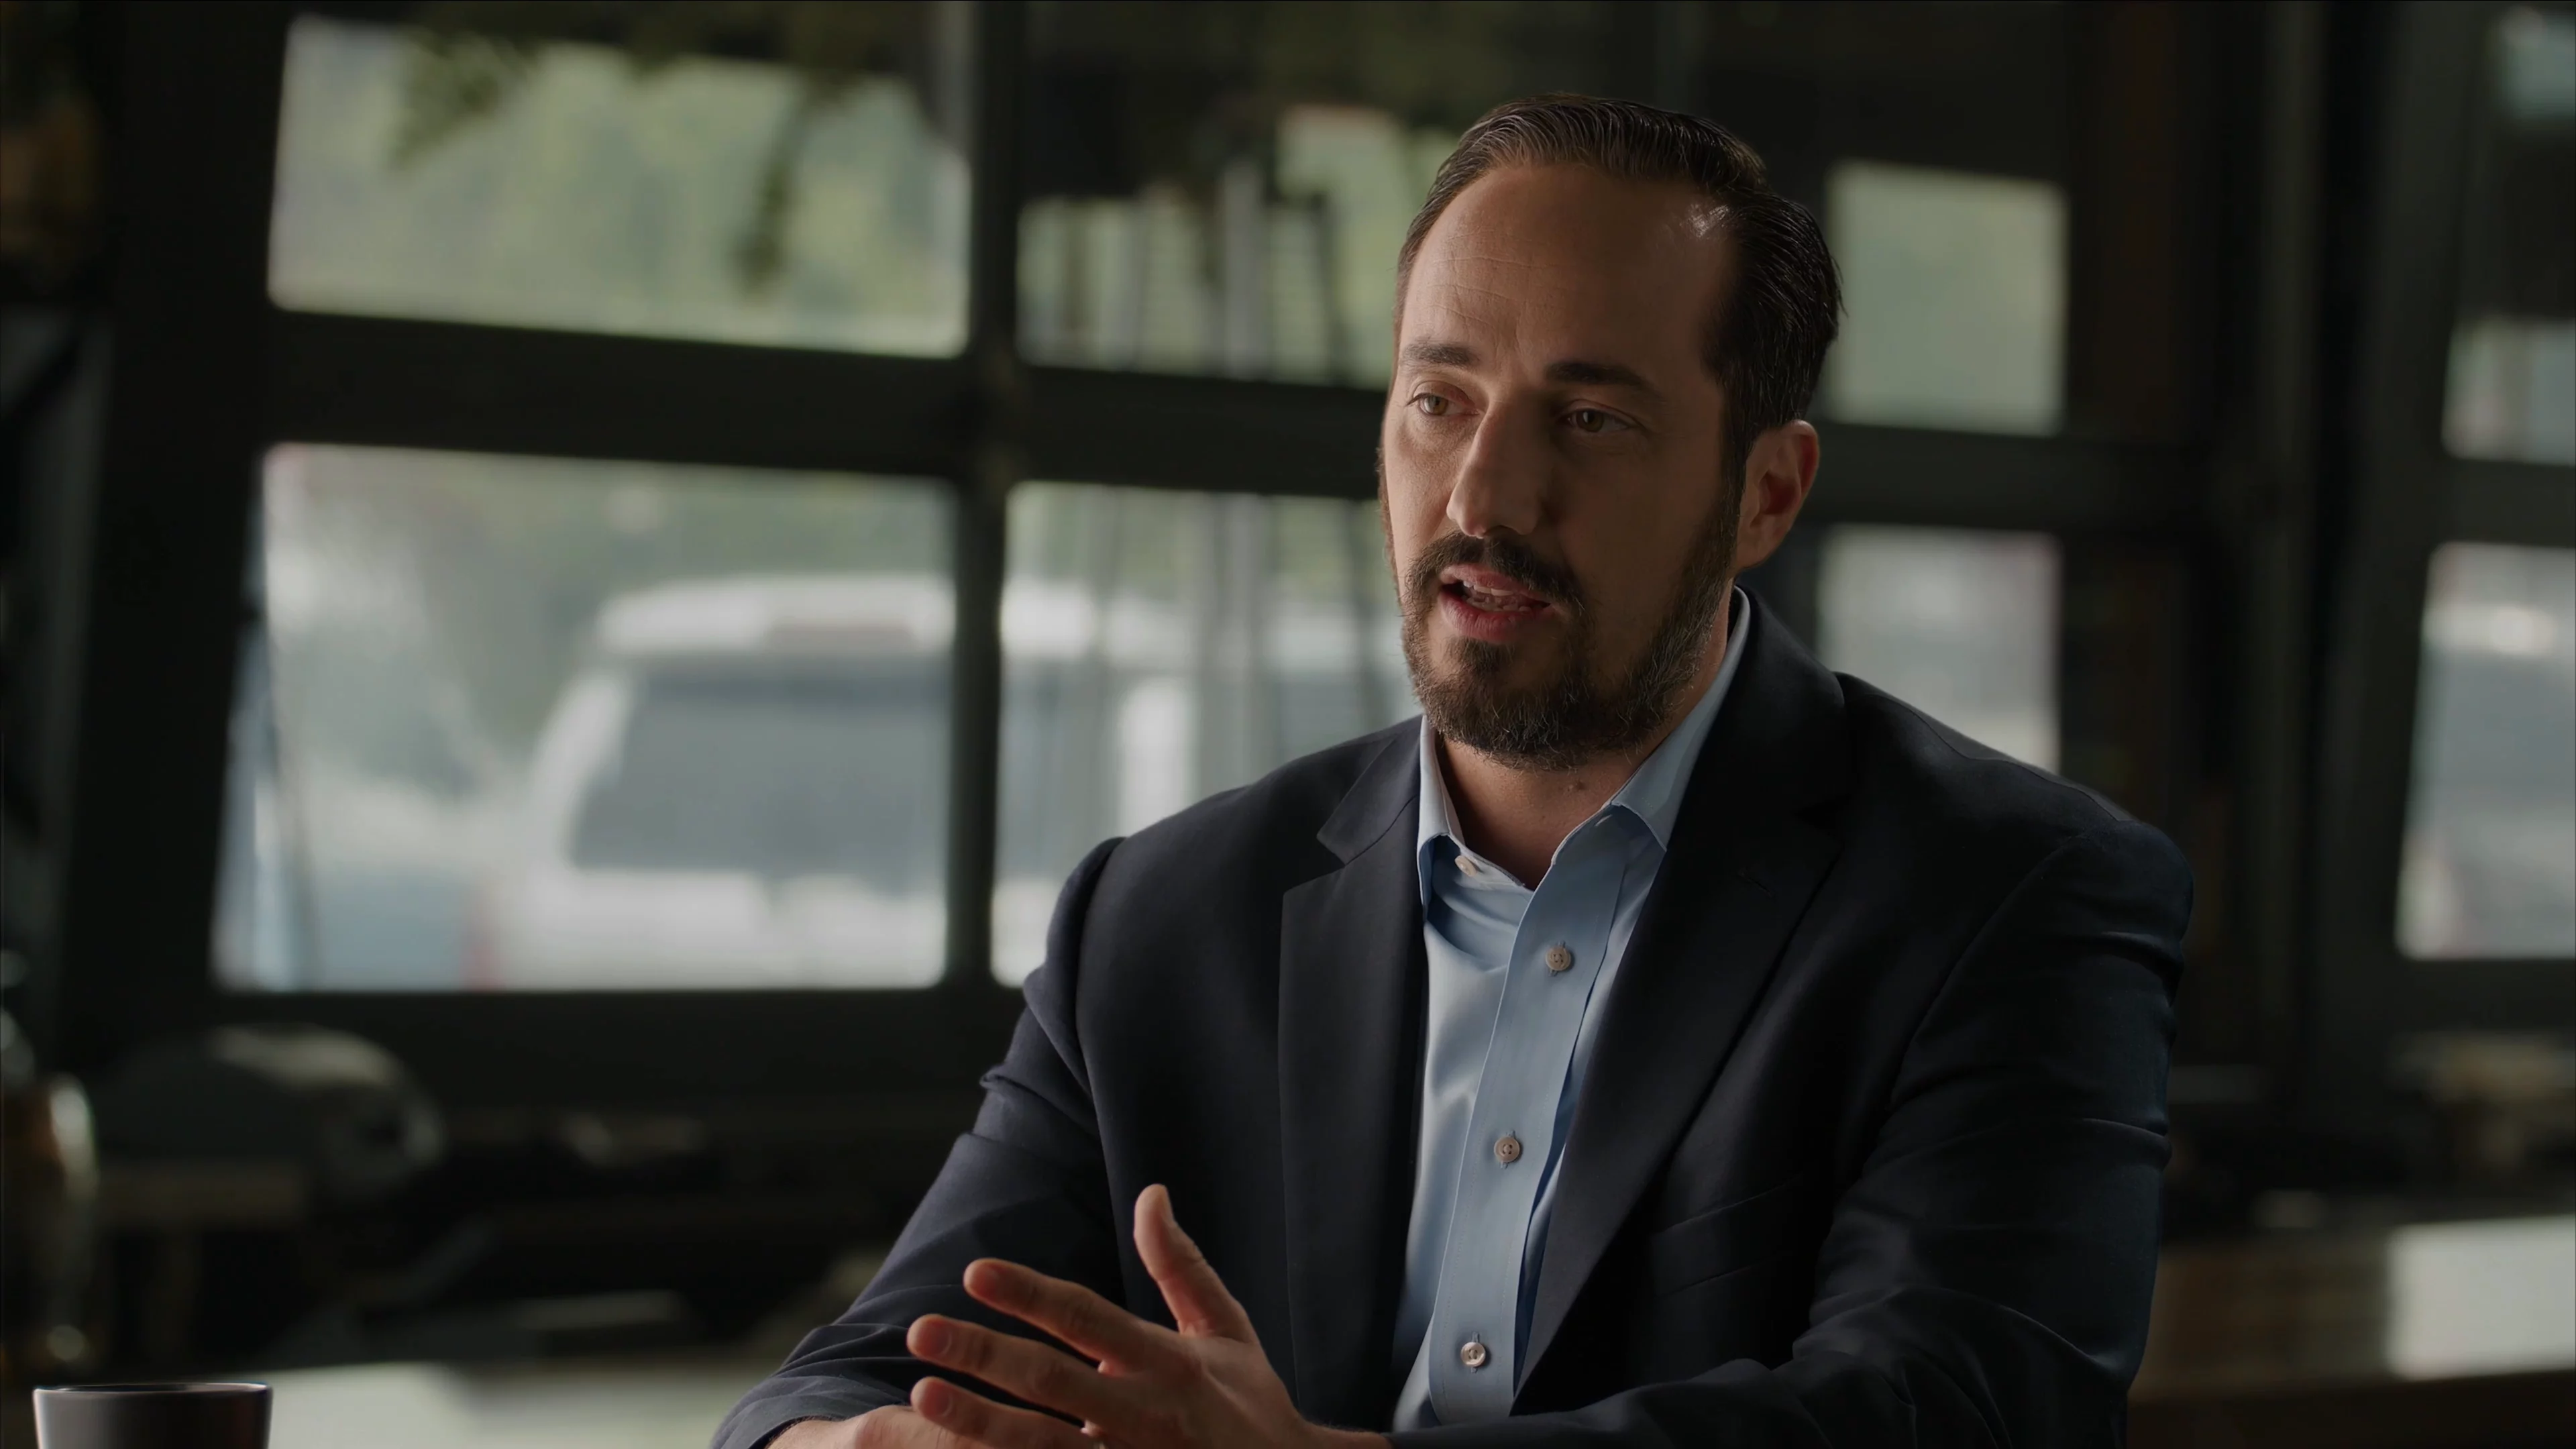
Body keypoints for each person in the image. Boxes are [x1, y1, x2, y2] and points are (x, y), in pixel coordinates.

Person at [716, 94, 2190, 1449]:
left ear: (1765, 494)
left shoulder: (2011, 897)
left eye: (1591, 420)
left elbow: (1951, 1411)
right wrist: (872, 1446)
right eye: (1441, 400)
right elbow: (844, 1379)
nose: (1486, 494)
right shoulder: (1162, 916)